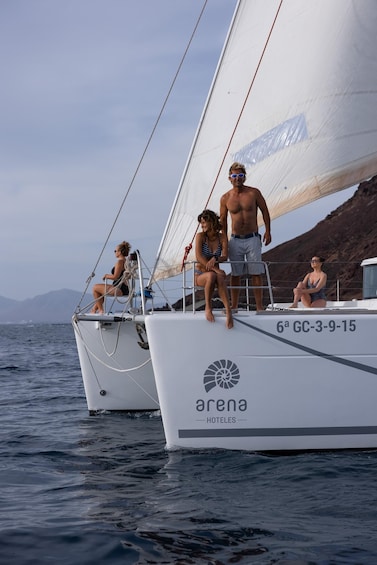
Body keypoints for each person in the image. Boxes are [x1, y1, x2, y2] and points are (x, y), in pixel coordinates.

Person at [220, 162, 271, 311]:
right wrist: (224, 242)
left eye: (240, 175)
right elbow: (222, 221)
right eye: (234, 176)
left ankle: (259, 306)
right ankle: (234, 305)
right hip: (235, 239)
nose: (237, 179)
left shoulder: (253, 193)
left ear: (244, 177)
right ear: (229, 178)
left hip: (253, 238)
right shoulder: (225, 198)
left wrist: (268, 231)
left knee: (256, 272)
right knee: (236, 274)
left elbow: (265, 211)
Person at [195, 210, 233, 329]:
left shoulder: (222, 237)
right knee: (212, 276)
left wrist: (216, 258)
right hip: (201, 274)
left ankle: (228, 311)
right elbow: (199, 257)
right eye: (201, 223)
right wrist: (215, 269)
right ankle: (208, 307)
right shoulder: (200, 236)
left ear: (211, 222)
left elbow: (225, 256)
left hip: (215, 274)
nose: (202, 226)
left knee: (220, 277)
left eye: (204, 223)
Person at [90, 241, 131, 314]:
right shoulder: (127, 261)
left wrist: (106, 276)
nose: (115, 252)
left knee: (95, 288)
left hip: (119, 289)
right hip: (124, 288)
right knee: (99, 293)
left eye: (115, 251)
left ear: (120, 252)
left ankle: (100, 310)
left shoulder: (120, 262)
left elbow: (115, 277)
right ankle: (93, 310)